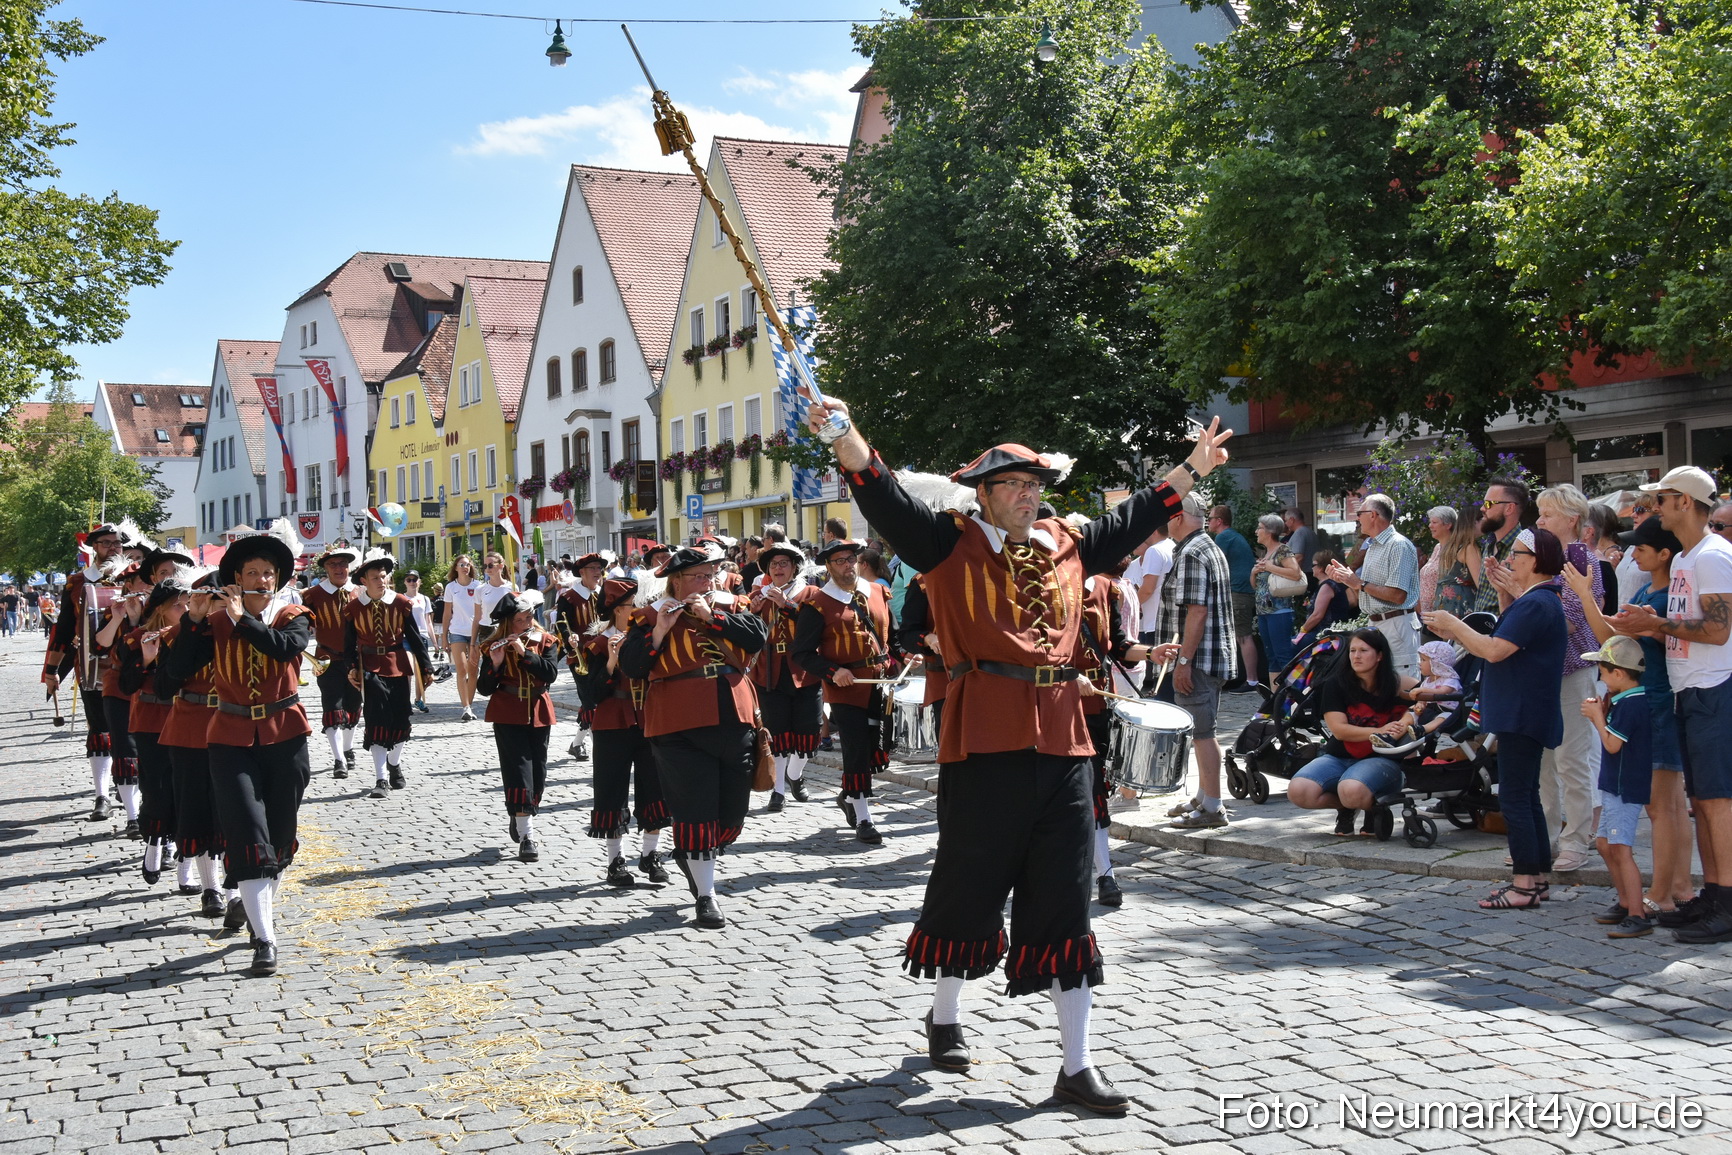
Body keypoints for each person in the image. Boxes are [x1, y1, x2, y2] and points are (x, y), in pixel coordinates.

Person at [812, 391, 1232, 1115]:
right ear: (983, 492)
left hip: (1065, 740)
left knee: (1066, 899)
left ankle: (1076, 1065)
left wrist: (1194, 465)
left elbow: (1142, 511)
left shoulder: (1070, 542)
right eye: (1011, 485)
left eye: (1033, 485)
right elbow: (881, 493)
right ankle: (945, 1014)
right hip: (983, 740)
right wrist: (845, 433)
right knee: (970, 884)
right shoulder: (947, 542)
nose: (1026, 496)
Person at [165, 520, 313, 977]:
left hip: (285, 734)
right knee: (248, 835)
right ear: (236, 578)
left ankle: (256, 909)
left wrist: (241, 619)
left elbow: (283, 649)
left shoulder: (294, 616)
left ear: (278, 579)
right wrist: (192, 620)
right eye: (251, 573)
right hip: (229, 737)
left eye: (268, 573)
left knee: (280, 837)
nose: (261, 580)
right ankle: (265, 938)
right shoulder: (213, 623)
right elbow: (173, 673)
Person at [1611, 466, 1732, 942]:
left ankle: (1727, 901)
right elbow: (1686, 626)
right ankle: (1713, 893)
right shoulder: (1686, 558)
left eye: (1660, 499)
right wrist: (1652, 620)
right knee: (1701, 800)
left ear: (1685, 502)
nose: (1653, 507)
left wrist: (1655, 624)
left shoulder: (1714, 556)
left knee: (1717, 801)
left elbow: (1718, 630)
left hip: (1713, 687)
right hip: (1690, 688)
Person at [619, 544, 768, 929]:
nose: (707, 582)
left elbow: (757, 638)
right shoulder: (649, 615)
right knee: (696, 810)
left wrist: (712, 617)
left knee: (732, 814)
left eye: (710, 575)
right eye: (699, 577)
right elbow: (632, 665)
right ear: (676, 581)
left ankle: (693, 852)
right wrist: (660, 631)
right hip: (676, 723)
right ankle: (706, 895)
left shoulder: (731, 605)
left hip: (733, 715)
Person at [1423, 527, 1569, 911]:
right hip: (1525, 710)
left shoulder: (1538, 602)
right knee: (1526, 796)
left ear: (1536, 561)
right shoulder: (1535, 600)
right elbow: (1509, 638)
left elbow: (1493, 650)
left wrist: (1454, 625)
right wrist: (1505, 595)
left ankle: (1524, 884)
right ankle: (1536, 879)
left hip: (1522, 712)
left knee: (1516, 799)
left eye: (1517, 554)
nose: (1509, 560)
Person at [1567, 515, 1694, 921]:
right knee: (1669, 806)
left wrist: (1585, 595)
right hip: (1651, 703)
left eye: (1641, 547)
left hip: (1656, 704)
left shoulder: (1664, 597)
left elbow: (1610, 640)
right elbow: (1614, 637)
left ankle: (1663, 894)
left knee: (1661, 807)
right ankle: (1677, 888)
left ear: (1664, 554)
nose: (1632, 553)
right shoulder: (1648, 589)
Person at [794, 538, 901, 844]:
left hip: (879, 685)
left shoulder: (878, 591)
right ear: (828, 566)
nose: (847, 566)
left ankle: (849, 795)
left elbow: (892, 637)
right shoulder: (817, 604)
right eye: (839, 561)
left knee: (874, 749)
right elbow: (802, 653)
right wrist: (833, 672)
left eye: (851, 559)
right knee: (855, 749)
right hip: (845, 687)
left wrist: (903, 657)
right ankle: (865, 819)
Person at [1532, 484, 1606, 874]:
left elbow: (1573, 620)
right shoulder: (1545, 556)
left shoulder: (1581, 559)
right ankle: (1544, 838)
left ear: (1571, 519)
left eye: (1548, 514)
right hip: (1544, 670)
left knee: (1571, 758)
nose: (1540, 521)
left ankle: (1576, 839)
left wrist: (1527, 600)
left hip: (1574, 668)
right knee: (1545, 760)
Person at [577, 577, 668, 886]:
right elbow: (591, 695)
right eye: (634, 605)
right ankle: (615, 861)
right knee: (611, 789)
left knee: (655, 787)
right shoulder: (597, 644)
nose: (642, 609)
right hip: (612, 721)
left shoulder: (650, 635)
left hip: (650, 718)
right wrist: (612, 661)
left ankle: (650, 855)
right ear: (617, 609)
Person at [1286, 629, 1419, 834]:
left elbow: (1430, 700)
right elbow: (1339, 730)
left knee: (1351, 790)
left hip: (1383, 759)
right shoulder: (1336, 684)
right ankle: (1349, 807)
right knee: (1299, 791)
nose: (1356, 656)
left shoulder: (1399, 684)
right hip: (1339, 756)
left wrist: (1409, 717)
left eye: (1364, 651)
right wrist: (1379, 730)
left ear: (1380, 655)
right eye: (1352, 650)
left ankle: (1373, 808)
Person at [1165, 493, 1239, 830]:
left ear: (1178, 517)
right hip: (1212, 654)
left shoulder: (1193, 552)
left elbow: (1197, 612)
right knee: (1201, 730)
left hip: (1200, 657)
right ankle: (1202, 796)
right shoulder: (1206, 545)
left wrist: (1183, 661)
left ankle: (1213, 806)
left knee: (1202, 733)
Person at [43, 523, 125, 820]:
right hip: (92, 668)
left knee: (129, 731)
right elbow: (64, 630)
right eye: (106, 543)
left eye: (117, 543)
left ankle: (128, 785)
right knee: (100, 729)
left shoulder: (133, 579)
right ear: (94, 547)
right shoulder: (78, 583)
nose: (112, 548)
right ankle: (102, 795)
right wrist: (52, 670)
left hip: (131, 666)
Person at [1579, 637, 1656, 938]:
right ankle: (1625, 902)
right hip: (1614, 785)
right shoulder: (1623, 700)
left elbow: (1612, 745)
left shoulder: (1632, 704)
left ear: (1619, 673)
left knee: (1621, 850)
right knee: (1603, 844)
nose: (1601, 679)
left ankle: (1637, 914)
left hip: (1624, 788)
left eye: (1603, 673)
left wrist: (1597, 718)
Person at [477, 589, 561, 863]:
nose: (526, 624)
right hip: (507, 711)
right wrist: (496, 664)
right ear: (507, 624)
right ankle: (527, 837)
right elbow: (484, 688)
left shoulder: (546, 640)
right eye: (519, 620)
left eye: (528, 618)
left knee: (538, 773)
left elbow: (550, 674)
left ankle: (520, 813)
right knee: (518, 771)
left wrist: (525, 652)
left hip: (538, 710)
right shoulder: (493, 645)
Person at [344, 550, 432, 800]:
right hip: (369, 666)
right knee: (377, 719)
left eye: (383, 576)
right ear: (364, 581)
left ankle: (394, 762)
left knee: (401, 718)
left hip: (398, 664)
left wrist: (426, 667)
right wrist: (351, 667)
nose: (381, 581)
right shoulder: (353, 608)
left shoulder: (401, 603)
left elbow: (415, 638)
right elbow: (348, 643)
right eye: (375, 577)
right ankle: (380, 777)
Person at [749, 542, 818, 810]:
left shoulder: (810, 593)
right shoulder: (758, 595)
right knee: (776, 732)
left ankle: (794, 774)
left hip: (804, 669)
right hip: (769, 672)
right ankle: (778, 791)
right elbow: (748, 633)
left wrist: (786, 605)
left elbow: (815, 627)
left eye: (784, 564)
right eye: (773, 564)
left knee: (808, 732)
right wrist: (752, 612)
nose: (778, 568)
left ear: (794, 568)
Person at [1328, 493, 1420, 680]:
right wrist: (1346, 579)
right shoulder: (1373, 545)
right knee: (1378, 684)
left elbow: (1397, 595)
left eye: (1360, 513)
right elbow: (1366, 588)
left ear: (1373, 515)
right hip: (1378, 624)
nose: (1357, 518)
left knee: (1402, 684)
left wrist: (1359, 583)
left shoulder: (1398, 545)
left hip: (1396, 624)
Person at [302, 546, 361, 777]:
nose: (339, 569)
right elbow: (302, 625)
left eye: (343, 564)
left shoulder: (360, 592)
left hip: (356, 660)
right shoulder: (312, 595)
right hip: (327, 658)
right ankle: (339, 760)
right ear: (325, 568)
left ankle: (348, 748)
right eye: (333, 564)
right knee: (332, 707)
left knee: (353, 705)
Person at [556, 551, 609, 759]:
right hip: (580, 657)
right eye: (592, 568)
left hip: (603, 654)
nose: (597, 572)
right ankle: (600, 749)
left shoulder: (604, 594)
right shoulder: (569, 597)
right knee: (589, 701)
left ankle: (577, 743)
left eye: (599, 568)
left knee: (596, 700)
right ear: (582, 572)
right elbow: (562, 623)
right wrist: (569, 637)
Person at [1207, 505, 1259, 690]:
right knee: (1241, 636)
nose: (1208, 521)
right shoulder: (1233, 536)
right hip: (1242, 591)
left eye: (1210, 518)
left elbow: (1212, 564)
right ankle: (1246, 678)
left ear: (1219, 521)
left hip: (1238, 592)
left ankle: (1252, 680)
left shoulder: (1223, 537)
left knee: (1243, 636)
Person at [1250, 513, 1303, 679]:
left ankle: (1293, 693)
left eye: (1259, 528)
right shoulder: (1266, 553)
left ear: (1270, 531)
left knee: (1283, 656)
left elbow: (1295, 573)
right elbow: (1257, 587)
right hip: (1264, 612)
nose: (1256, 531)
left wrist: (1269, 567)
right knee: (1272, 658)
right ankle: (1275, 695)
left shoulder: (1283, 550)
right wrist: (1254, 572)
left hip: (1279, 612)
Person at [1474, 477, 1533, 613]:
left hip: (1508, 624)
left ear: (1509, 508)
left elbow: (1530, 601)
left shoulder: (1525, 548)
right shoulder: (1489, 543)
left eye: (1489, 503)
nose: (1482, 508)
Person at [441, 554, 483, 721]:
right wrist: (444, 637)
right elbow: (447, 613)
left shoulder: (478, 586)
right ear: (456, 568)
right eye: (462, 564)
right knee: (462, 669)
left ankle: (469, 706)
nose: (465, 567)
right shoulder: (451, 587)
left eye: (467, 564)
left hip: (475, 632)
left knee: (473, 670)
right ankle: (465, 706)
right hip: (457, 631)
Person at [1424, 507, 1481, 621]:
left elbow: (1481, 584)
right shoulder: (1444, 549)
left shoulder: (1465, 548)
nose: (1430, 526)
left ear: (1448, 525)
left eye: (1434, 522)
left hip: (1459, 610)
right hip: (1444, 610)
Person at [1296, 549, 1355, 650]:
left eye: (1313, 565)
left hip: (1325, 633)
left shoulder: (1327, 586)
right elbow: (1353, 602)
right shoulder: (1339, 582)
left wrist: (1302, 631)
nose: (1311, 568)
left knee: (1291, 647)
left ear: (1320, 568)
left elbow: (1317, 615)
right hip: (1337, 630)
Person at [1616, 495, 1658, 603]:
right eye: (1634, 510)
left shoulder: (1660, 546)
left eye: (1640, 510)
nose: (1633, 515)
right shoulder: (1629, 546)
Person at [402, 571, 434, 713]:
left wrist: (435, 643)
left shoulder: (424, 599)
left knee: (422, 672)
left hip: (422, 636)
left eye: (414, 579)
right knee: (408, 669)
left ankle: (418, 699)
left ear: (419, 582)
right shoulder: (401, 598)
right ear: (405, 582)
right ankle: (405, 701)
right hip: (406, 637)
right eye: (409, 580)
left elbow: (428, 621)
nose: (412, 582)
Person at [1282, 508, 1320, 588]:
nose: (1285, 523)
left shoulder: (1299, 533)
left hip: (1305, 576)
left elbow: (1299, 557)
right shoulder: (1310, 532)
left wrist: (1285, 570)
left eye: (1286, 520)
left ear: (1291, 520)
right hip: (1312, 574)